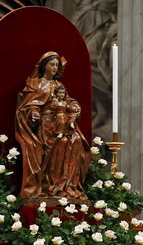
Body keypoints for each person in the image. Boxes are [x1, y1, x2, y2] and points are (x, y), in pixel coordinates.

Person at [63, 0, 118, 139]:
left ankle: (101, 112)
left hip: (103, 27)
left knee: (92, 63)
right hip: (78, 25)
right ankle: (87, 111)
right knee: (72, 66)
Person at [15, 52, 90, 198]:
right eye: (51, 64)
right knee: (58, 143)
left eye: (57, 65)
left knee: (76, 140)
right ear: (44, 66)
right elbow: (29, 105)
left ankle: (66, 185)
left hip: (62, 123)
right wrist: (34, 113)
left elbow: (68, 101)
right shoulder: (37, 84)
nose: (54, 68)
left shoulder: (58, 85)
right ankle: (49, 185)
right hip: (46, 126)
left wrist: (74, 106)